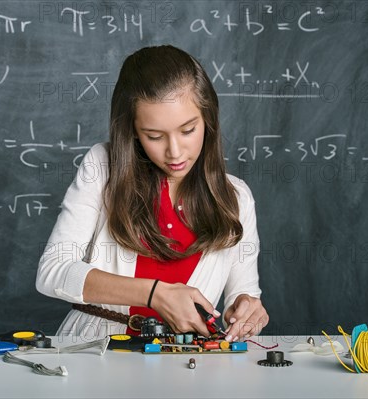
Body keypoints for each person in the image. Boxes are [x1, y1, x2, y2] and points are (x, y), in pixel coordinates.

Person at [36, 45, 269, 341]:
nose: (174, 152)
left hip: (187, 360)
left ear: (207, 119)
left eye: (188, 130)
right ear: (132, 130)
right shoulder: (103, 166)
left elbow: (244, 295)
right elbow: (52, 272)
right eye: (154, 136)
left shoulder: (237, 197)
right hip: (98, 349)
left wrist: (248, 309)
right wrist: (154, 294)